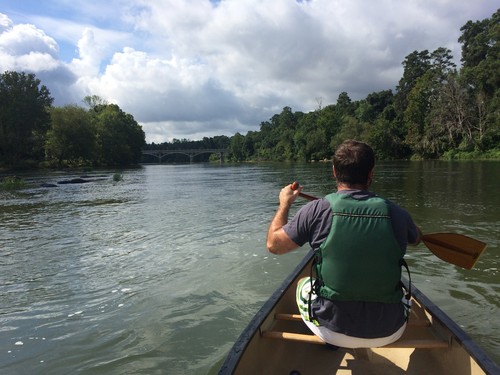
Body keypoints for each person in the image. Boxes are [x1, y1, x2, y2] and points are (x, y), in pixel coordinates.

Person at [266, 139, 422, 348]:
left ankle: (328, 340)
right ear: (371, 174)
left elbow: (274, 245)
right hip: (390, 330)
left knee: (302, 284)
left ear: (334, 172)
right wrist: (408, 223)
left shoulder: (316, 210)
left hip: (333, 330)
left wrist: (284, 204)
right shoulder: (397, 213)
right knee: (401, 294)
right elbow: (417, 239)